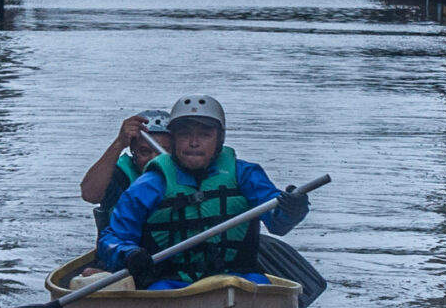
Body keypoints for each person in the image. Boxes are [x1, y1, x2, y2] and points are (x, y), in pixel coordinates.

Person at [98, 95, 308, 290]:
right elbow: (113, 238)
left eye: (205, 135)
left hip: (239, 278)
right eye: (185, 134)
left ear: (219, 139)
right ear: (174, 140)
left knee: (262, 288)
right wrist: (129, 254)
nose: (194, 142)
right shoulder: (150, 184)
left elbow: (278, 223)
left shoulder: (245, 175)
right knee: (157, 291)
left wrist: (293, 208)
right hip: (170, 282)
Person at [81, 111, 170, 236]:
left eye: (163, 152)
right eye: (144, 152)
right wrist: (119, 142)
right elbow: (89, 195)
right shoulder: (119, 176)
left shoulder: (190, 172)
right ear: (133, 151)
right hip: (126, 251)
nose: (154, 159)